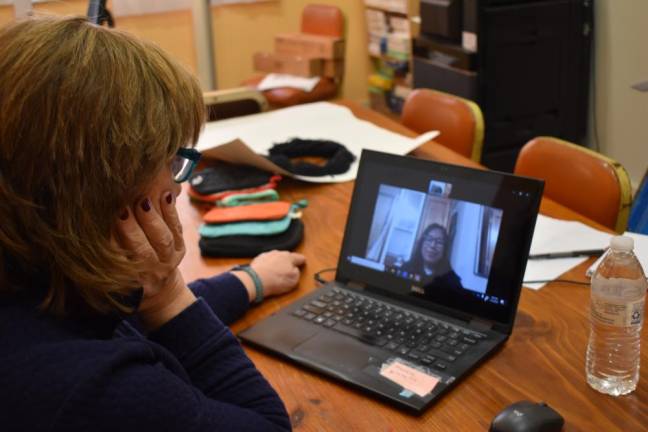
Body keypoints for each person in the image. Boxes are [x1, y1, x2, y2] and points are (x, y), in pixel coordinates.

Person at [0, 16, 303, 431]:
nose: (179, 187)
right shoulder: (99, 392)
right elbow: (268, 425)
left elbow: (126, 321)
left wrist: (249, 280)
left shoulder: (33, 278)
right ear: (104, 186)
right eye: (171, 160)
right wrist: (170, 295)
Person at [403, 224, 463, 294]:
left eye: (439, 242)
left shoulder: (452, 281)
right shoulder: (406, 268)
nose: (432, 245)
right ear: (421, 243)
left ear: (445, 249)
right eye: (429, 239)